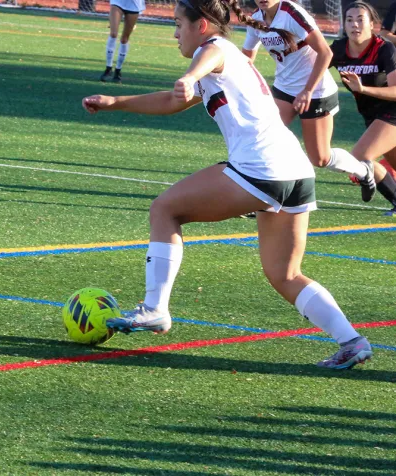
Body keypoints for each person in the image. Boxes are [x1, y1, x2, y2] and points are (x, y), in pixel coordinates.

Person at [82, 0, 373, 369]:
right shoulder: (227, 55)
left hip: (261, 169)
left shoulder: (214, 49)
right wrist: (114, 102)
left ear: (201, 26)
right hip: (295, 172)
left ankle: (155, 308)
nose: (174, 33)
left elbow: (204, 64)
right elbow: (172, 102)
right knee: (285, 274)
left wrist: (189, 77)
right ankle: (352, 340)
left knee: (164, 209)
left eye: (178, 24)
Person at [240, 0, 386, 208]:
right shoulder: (255, 19)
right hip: (284, 89)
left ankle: (363, 171)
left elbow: (326, 53)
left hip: (316, 91)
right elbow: (247, 57)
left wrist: (307, 90)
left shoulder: (292, 14)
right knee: (261, 136)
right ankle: (259, 195)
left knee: (320, 158)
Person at [332, 1, 396, 216]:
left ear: (372, 24)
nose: (355, 25)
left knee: (359, 157)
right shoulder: (339, 49)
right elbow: (313, 65)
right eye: (349, 20)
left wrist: (363, 89)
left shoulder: (384, 48)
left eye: (361, 19)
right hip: (373, 117)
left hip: (393, 113)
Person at [100, 0, 146, 83]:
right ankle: (108, 68)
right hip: (118, 3)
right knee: (113, 34)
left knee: (124, 39)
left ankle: (118, 71)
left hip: (134, 5)